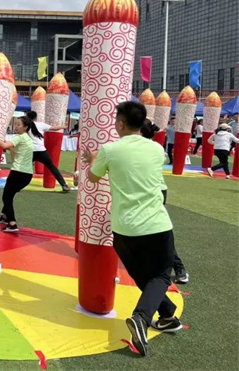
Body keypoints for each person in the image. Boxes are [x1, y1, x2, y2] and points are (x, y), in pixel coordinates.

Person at [83, 101, 182, 358]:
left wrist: (94, 161)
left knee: (144, 277)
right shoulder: (156, 149)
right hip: (156, 225)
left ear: (120, 123)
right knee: (160, 276)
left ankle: (167, 315)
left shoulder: (109, 150)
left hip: (124, 229)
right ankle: (141, 317)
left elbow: (92, 178)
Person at [140, 120, 189, 284]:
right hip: (146, 190)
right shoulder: (151, 147)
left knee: (157, 232)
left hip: (153, 191)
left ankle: (178, 268)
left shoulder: (151, 148)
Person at [0, 116, 35, 233]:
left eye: (18, 125)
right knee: (9, 195)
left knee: (6, 197)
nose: (16, 127)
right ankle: (5, 216)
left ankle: (12, 223)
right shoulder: (27, 138)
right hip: (27, 175)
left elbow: (4, 146)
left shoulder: (20, 137)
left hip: (18, 173)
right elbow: (10, 147)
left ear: (25, 127)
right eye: (16, 124)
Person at [26, 111, 71, 193]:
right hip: (41, 150)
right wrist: (63, 126)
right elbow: (55, 128)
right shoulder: (41, 125)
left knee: (22, 168)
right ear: (36, 117)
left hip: (30, 151)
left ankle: (15, 184)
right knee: (52, 167)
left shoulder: (25, 125)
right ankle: (64, 184)